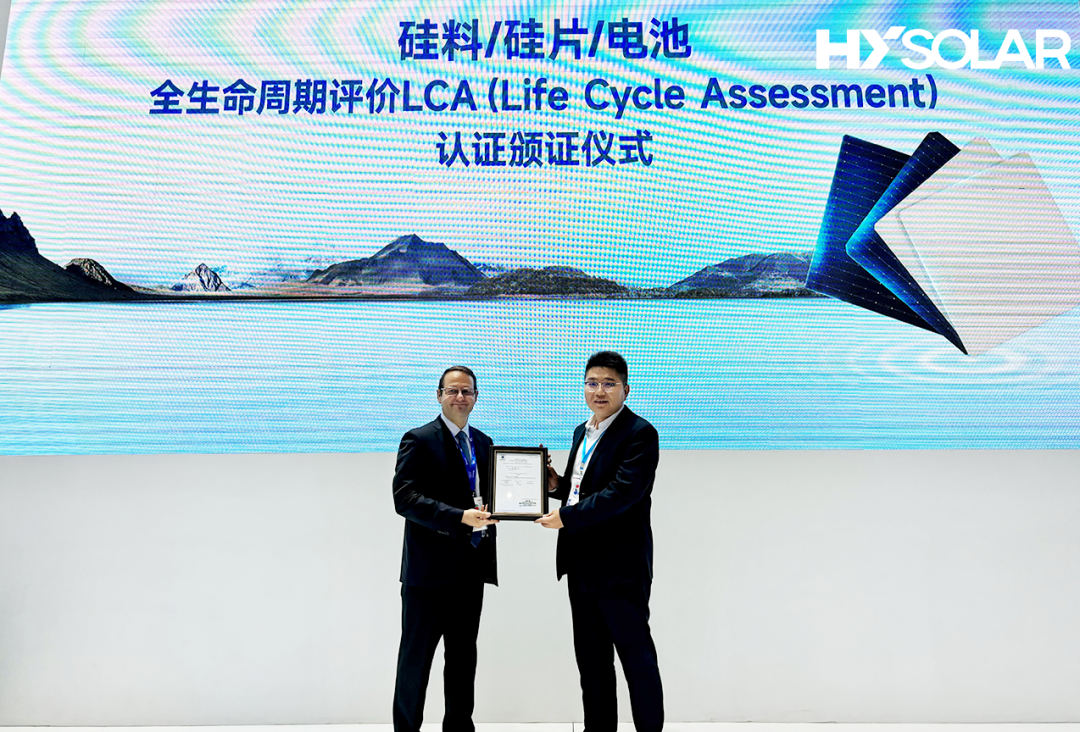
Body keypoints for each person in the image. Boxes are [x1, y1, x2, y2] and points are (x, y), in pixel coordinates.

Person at [536, 350, 664, 732]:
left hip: (620, 567)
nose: (600, 391)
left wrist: (567, 517)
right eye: (592, 383)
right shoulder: (582, 430)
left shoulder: (640, 433)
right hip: (580, 564)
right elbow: (583, 488)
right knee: (592, 663)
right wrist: (556, 485)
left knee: (637, 661)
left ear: (626, 389)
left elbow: (623, 493)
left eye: (609, 383)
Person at [392, 365, 499, 732]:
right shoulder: (418, 439)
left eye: (467, 391)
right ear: (438, 395)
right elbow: (405, 498)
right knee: (415, 661)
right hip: (427, 575)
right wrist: (459, 517)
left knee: (463, 660)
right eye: (452, 390)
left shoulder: (484, 442)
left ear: (476, 397)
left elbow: (491, 495)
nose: (460, 397)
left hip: (470, 569)